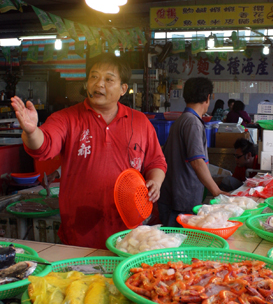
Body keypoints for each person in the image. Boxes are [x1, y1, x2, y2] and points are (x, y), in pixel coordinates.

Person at [11, 53, 167, 249]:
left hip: (128, 232)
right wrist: (32, 131)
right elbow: (44, 146)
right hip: (79, 231)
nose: (99, 84)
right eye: (93, 77)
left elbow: (156, 162)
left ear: (123, 89)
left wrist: (156, 181)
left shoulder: (140, 122)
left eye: (109, 79)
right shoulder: (66, 118)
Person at [158, 77, 227, 226]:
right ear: (208, 97)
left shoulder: (183, 119)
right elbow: (197, 161)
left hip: (174, 197)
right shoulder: (192, 122)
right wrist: (216, 191)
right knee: (177, 242)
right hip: (180, 201)